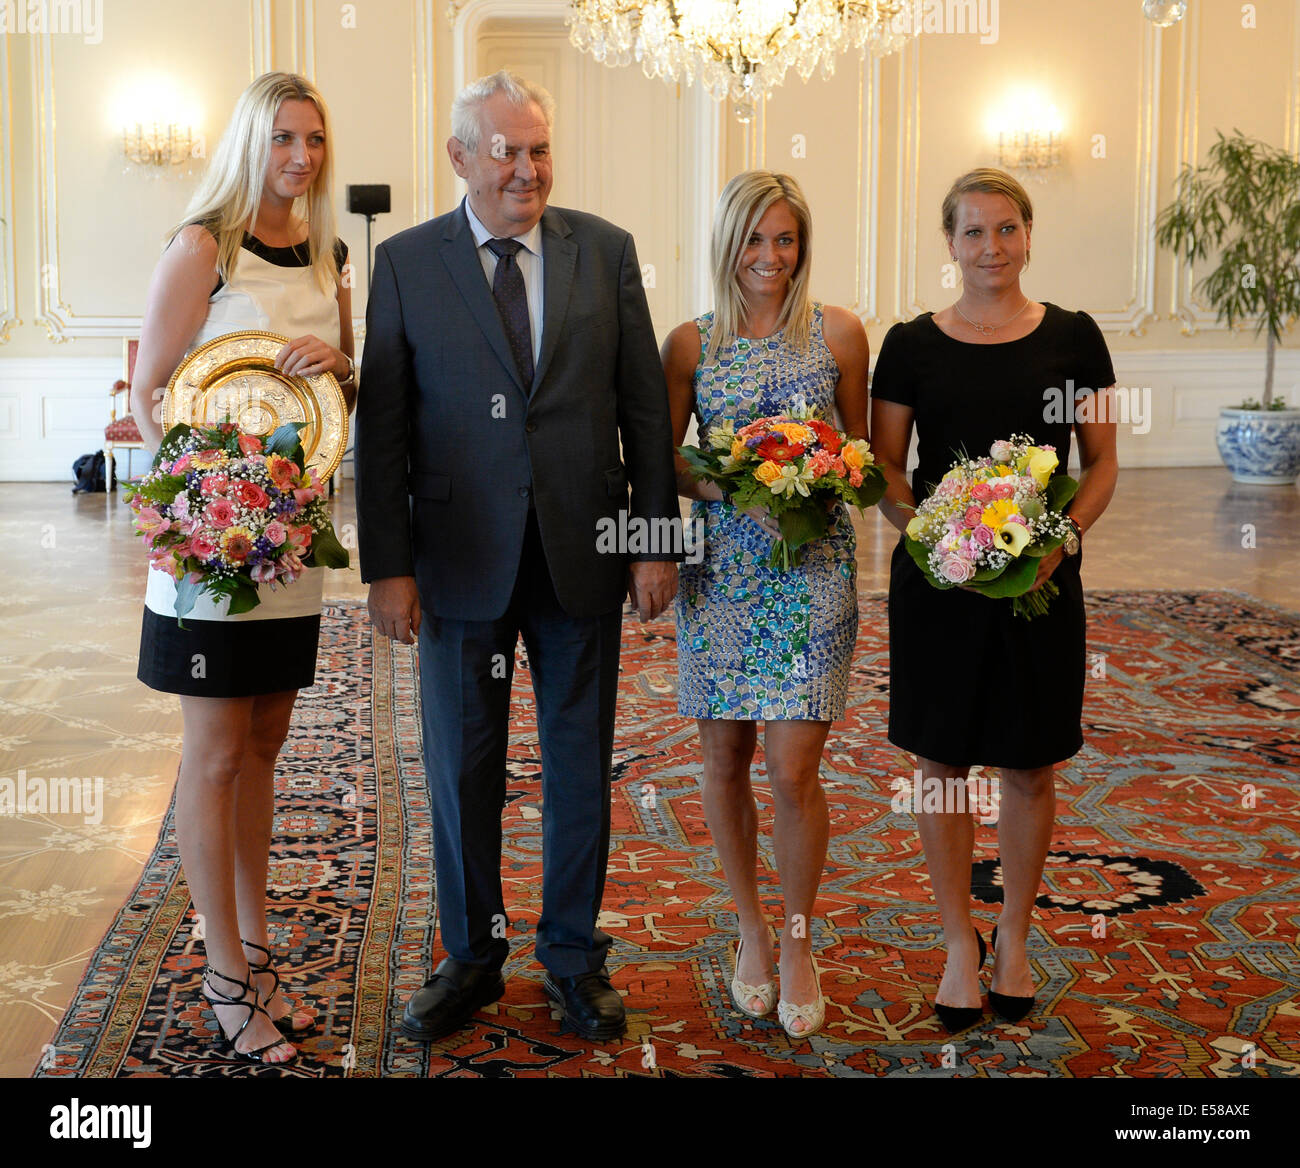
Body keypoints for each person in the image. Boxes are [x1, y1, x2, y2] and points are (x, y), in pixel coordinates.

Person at [355, 70, 679, 1044]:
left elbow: (642, 412)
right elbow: (386, 431)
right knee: (463, 769)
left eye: (539, 149)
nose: (527, 168)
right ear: (460, 156)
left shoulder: (605, 252)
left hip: (581, 553)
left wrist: (654, 540)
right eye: (507, 150)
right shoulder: (409, 263)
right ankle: (472, 957)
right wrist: (388, 564)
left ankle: (575, 960)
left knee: (579, 762)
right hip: (456, 562)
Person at [131, 72, 356, 1064]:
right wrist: (205, 508)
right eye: (280, 140)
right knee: (215, 753)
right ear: (247, 147)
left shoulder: (328, 254)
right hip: (213, 548)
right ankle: (225, 977)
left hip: (292, 538)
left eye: (311, 139)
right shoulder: (202, 250)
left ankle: (254, 943)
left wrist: (339, 363)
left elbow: (338, 390)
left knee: (265, 746)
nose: (300, 157)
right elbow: (150, 394)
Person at [869, 168, 1118, 1032]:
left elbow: (1101, 464)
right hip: (938, 584)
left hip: (1038, 585)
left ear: (1027, 234)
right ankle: (954, 944)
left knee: (1028, 759)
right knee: (940, 764)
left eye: (1005, 229)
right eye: (972, 233)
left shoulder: (1075, 338)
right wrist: (934, 535)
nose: (991, 248)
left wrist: (1062, 542)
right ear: (949, 244)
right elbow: (888, 472)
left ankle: (1012, 935)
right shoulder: (910, 345)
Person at [661, 171, 870, 1039]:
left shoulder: (841, 334)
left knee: (791, 768)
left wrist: (820, 474)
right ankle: (748, 924)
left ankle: (795, 935)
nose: (770, 258)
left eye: (784, 240)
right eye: (755, 240)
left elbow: (863, 458)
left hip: (813, 566)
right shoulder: (689, 343)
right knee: (724, 758)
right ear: (728, 244)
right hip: (721, 571)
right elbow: (662, 459)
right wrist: (729, 483)